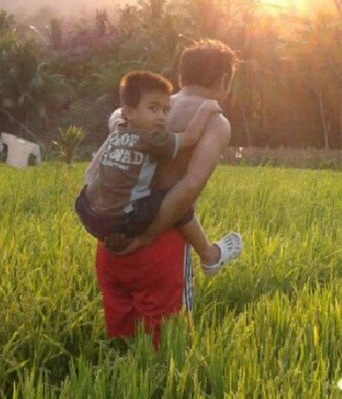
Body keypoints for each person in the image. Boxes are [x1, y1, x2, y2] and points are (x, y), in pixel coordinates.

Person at [91, 41, 241, 348]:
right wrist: (148, 235)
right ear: (225, 80)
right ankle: (210, 256)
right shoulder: (215, 122)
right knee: (167, 349)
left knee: (120, 343)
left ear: (182, 74)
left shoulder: (148, 109)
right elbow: (186, 189)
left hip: (111, 237)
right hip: (162, 243)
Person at [76, 70, 242, 270]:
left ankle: (208, 254)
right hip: (131, 224)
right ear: (224, 80)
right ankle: (209, 255)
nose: (162, 118)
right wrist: (207, 109)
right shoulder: (154, 138)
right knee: (177, 198)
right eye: (154, 109)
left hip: (90, 214)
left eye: (165, 110)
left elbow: (90, 173)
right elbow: (190, 168)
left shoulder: (120, 128)